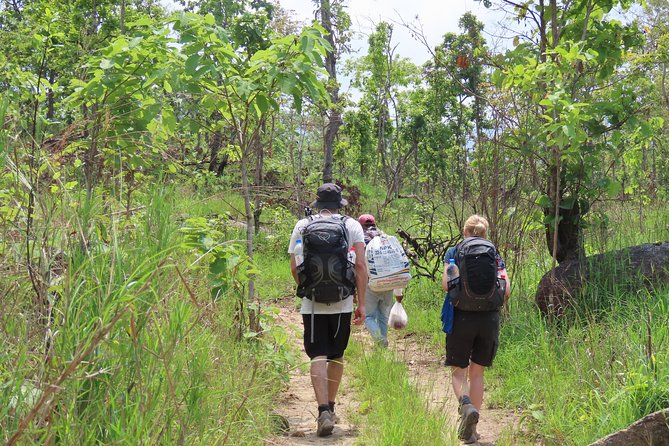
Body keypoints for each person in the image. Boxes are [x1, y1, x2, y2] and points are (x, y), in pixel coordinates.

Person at [288, 183, 367, 437]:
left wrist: (309, 288)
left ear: (318, 203)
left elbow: (294, 266)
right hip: (342, 302)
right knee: (337, 355)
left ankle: (322, 410)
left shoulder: (302, 225)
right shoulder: (351, 225)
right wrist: (361, 303)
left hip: (311, 304)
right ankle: (331, 407)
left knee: (317, 356)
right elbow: (361, 268)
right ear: (339, 204)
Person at [441, 215, 511, 444]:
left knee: (459, 372)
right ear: (485, 233)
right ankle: (472, 429)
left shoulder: (454, 252)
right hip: (488, 319)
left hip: (461, 318)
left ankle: (466, 405)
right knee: (477, 373)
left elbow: (446, 285)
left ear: (465, 232)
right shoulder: (495, 253)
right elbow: (506, 289)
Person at [358, 214, 404, 348]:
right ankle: (382, 346)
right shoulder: (385, 239)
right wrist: (398, 290)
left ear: (360, 225)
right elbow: (396, 264)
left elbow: (358, 265)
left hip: (370, 285)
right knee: (383, 316)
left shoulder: (361, 240)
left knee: (368, 316)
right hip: (388, 284)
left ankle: (379, 340)